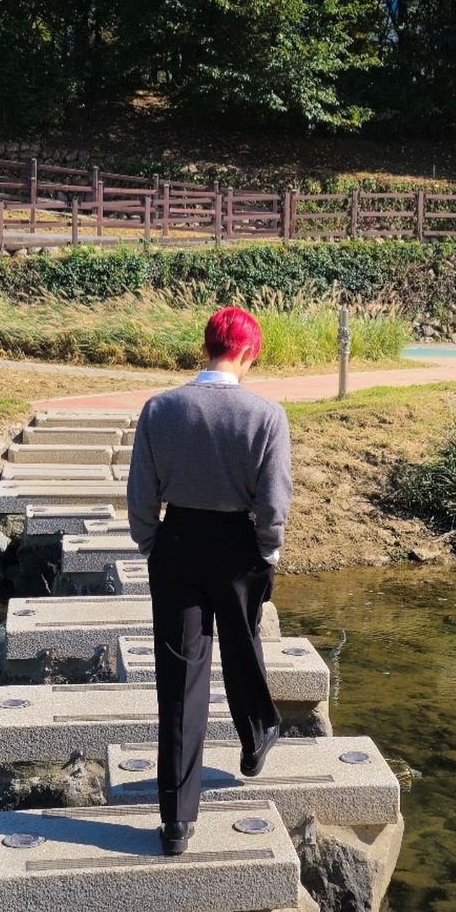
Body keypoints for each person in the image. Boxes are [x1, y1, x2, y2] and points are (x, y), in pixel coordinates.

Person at [127, 306, 292, 855]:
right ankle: (255, 737)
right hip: (239, 545)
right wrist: (267, 552)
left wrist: (152, 542)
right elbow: (274, 501)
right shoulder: (266, 415)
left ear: (205, 347)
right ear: (250, 352)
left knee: (179, 680)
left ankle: (176, 821)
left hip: (177, 542)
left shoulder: (160, 409)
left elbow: (141, 492)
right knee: (244, 648)